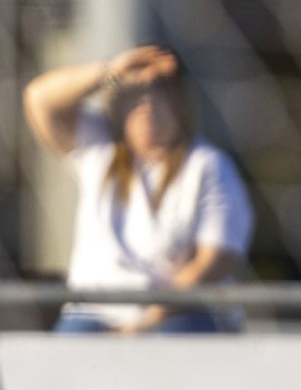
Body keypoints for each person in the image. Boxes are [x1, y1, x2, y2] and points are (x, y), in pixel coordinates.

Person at [23, 45, 252, 333]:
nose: (147, 103)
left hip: (175, 311)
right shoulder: (99, 148)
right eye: (136, 93)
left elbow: (218, 260)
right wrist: (113, 71)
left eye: (160, 91)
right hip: (95, 311)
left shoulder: (207, 165)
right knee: (72, 340)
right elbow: (39, 98)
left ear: (181, 103)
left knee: (171, 337)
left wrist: (149, 320)